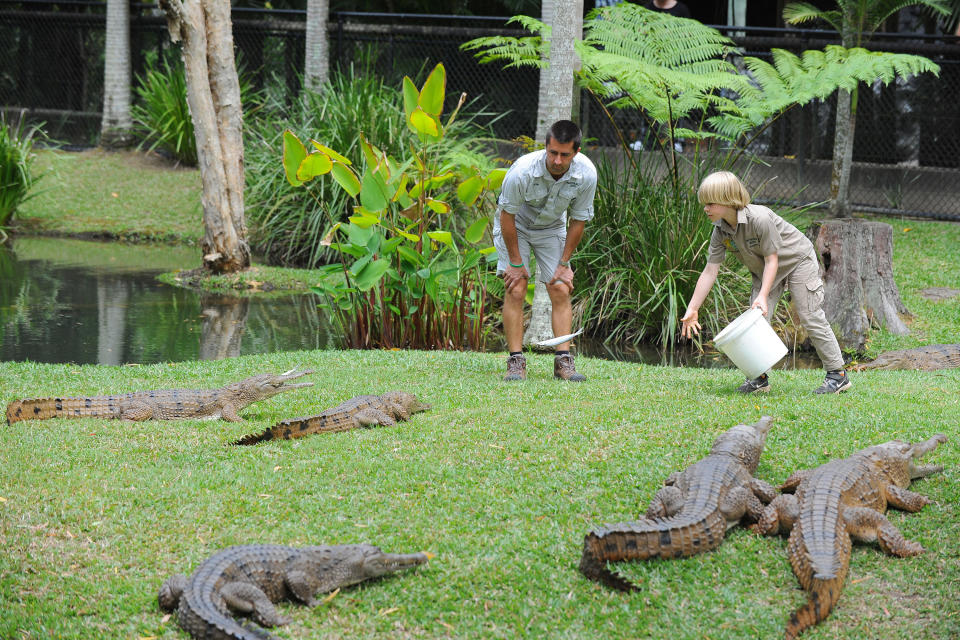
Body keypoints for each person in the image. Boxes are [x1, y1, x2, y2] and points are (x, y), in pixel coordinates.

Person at [680, 171, 852, 395]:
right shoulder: (720, 231)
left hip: (796, 260)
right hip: (767, 270)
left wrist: (763, 295)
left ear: (728, 200)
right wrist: (693, 308)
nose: (706, 208)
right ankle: (759, 378)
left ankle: (837, 375)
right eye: (705, 203)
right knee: (755, 321)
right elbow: (710, 270)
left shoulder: (759, 218)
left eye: (710, 203)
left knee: (809, 315)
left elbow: (773, 259)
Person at [494, 120, 597, 382]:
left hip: (551, 228)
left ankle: (563, 362)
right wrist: (516, 263)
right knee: (516, 287)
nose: (558, 161)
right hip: (515, 224)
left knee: (561, 286)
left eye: (565, 154)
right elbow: (507, 216)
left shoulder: (586, 174)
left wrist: (565, 262)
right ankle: (515, 362)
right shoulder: (522, 171)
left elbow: (579, 220)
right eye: (553, 153)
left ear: (577, 152)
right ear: (545, 147)